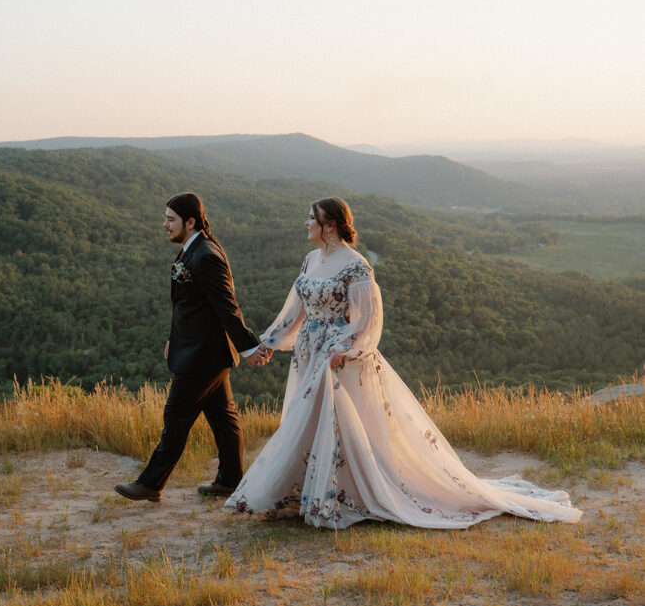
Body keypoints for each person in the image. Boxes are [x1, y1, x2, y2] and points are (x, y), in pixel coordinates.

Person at [224, 197, 582, 529]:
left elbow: (368, 320)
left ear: (329, 225)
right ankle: (303, 493)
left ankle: (340, 495)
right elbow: (296, 309)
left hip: (339, 358)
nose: (306, 223)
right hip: (308, 353)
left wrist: (343, 352)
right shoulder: (310, 260)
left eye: (312, 219)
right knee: (308, 423)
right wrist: (267, 343)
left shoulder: (356, 266)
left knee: (340, 425)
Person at [115, 192, 270, 504]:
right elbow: (187, 306)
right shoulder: (193, 250)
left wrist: (248, 347)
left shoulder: (207, 255)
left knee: (175, 417)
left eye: (170, 219)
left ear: (190, 221)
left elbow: (227, 308)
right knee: (224, 419)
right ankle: (230, 481)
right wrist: (174, 338)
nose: (165, 224)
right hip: (200, 350)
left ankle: (150, 484)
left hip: (203, 357)